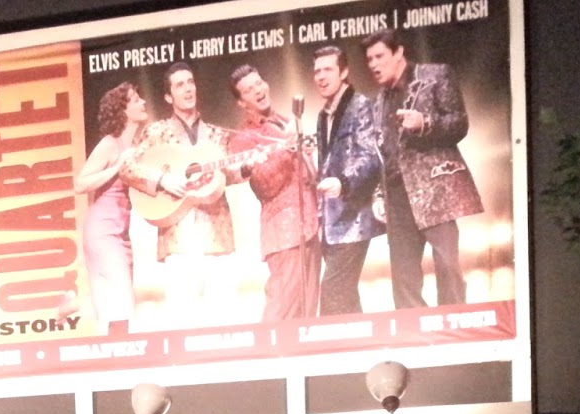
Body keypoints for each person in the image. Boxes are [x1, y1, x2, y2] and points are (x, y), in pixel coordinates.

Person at [362, 27, 483, 308]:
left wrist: (424, 123)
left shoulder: (435, 75)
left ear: (399, 52)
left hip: (434, 189)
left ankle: (454, 330)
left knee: (447, 267)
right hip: (397, 197)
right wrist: (379, 194)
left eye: (379, 56)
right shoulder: (378, 102)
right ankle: (414, 340)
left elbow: (459, 123)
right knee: (403, 278)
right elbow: (383, 152)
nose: (374, 65)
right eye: (369, 60)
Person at [121, 63, 242, 326]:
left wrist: (244, 168)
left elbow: (230, 175)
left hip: (216, 234)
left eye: (190, 82)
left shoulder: (215, 134)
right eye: (180, 85)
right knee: (182, 322)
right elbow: (127, 167)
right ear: (168, 97)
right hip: (176, 235)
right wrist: (162, 179)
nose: (188, 89)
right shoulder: (157, 133)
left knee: (223, 321)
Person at [227, 64, 318, 321]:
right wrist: (287, 147)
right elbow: (266, 185)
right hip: (284, 233)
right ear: (242, 103)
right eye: (248, 90)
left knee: (308, 313)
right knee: (281, 312)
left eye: (258, 83)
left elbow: (305, 172)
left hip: (310, 225)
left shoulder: (285, 122)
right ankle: (264, 359)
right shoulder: (244, 139)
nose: (257, 90)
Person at [309, 45, 383, 317]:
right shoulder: (322, 115)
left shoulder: (360, 105)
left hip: (354, 219)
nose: (321, 76)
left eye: (327, 69)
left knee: (332, 295)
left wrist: (343, 183)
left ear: (344, 71)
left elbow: (371, 158)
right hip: (330, 223)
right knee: (346, 299)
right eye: (317, 71)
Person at [74, 82, 148, 334]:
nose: (143, 103)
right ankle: (118, 355)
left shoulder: (135, 148)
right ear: (123, 110)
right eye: (136, 100)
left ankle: (71, 307)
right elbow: (80, 183)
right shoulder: (110, 144)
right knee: (122, 301)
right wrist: (117, 167)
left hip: (121, 234)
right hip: (102, 232)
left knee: (115, 303)